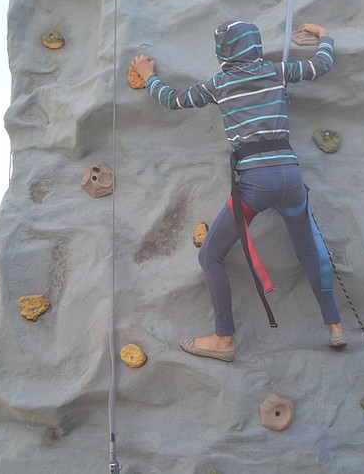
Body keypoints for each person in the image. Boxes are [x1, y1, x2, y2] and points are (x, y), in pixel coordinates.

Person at [130, 20, 345, 363]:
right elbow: (322, 64)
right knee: (307, 250)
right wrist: (324, 35)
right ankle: (334, 326)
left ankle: (224, 338)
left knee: (210, 255)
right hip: (290, 177)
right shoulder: (277, 71)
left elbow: (173, 100)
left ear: (223, 51)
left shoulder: (221, 84)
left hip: (255, 184)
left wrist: (147, 75)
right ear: (255, 45)